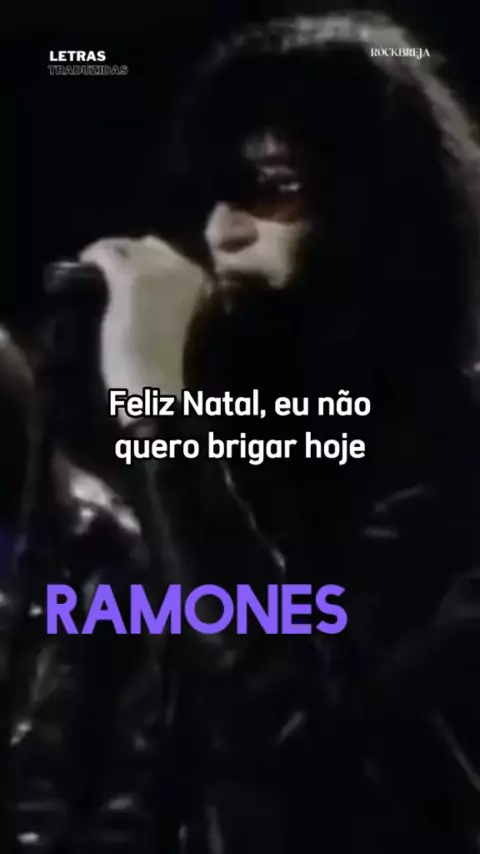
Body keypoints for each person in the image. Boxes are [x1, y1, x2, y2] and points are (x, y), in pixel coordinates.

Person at [3, 11, 480, 853]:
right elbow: (57, 752)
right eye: (213, 192)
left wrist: (159, 415)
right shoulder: (187, 445)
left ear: (383, 212)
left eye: (276, 188)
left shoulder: (452, 464)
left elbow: (304, 751)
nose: (221, 231)